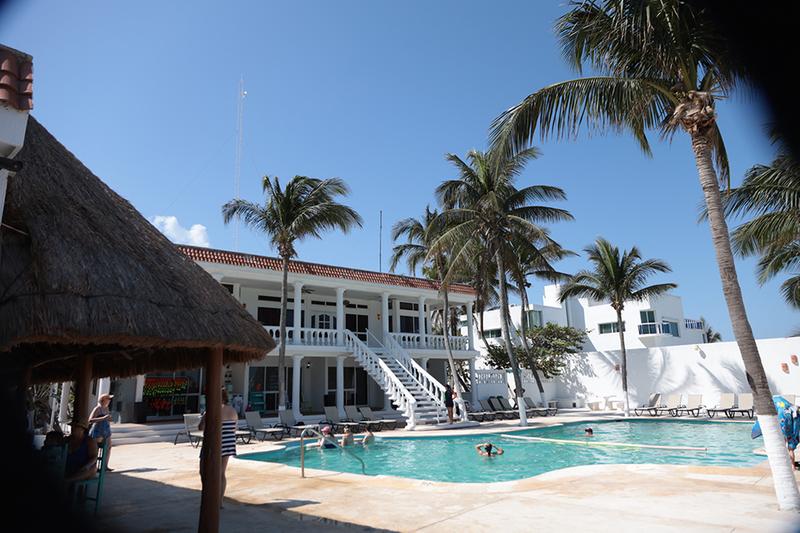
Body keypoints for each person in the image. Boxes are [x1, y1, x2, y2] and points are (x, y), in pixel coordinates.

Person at [198, 388, 239, 508]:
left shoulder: (211, 411)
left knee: (204, 471)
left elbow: (201, 427)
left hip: (213, 443)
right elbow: (235, 428)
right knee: (221, 473)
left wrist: (204, 417)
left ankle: (208, 496)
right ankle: (219, 501)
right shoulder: (233, 411)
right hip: (228, 443)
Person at [88, 393, 113, 471]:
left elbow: (107, 419)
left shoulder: (106, 408)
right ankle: (93, 466)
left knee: (108, 447)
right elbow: (90, 420)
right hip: (97, 431)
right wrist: (103, 418)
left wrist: (108, 419)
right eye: (108, 399)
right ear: (103, 400)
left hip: (106, 431)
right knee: (96, 449)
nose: (109, 400)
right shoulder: (97, 408)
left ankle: (105, 466)